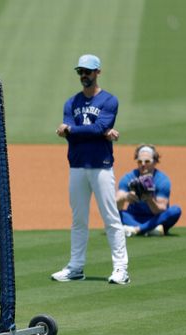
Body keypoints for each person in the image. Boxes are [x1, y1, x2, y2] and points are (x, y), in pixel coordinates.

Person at [52, 54, 130, 285]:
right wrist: (97, 132)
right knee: (78, 219)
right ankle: (76, 267)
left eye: (87, 71)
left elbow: (98, 127)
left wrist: (73, 130)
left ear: (98, 72)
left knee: (111, 218)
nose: (84, 75)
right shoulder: (71, 102)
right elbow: (92, 131)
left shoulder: (109, 101)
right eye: (80, 72)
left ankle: (121, 269)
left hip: (101, 166)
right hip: (77, 165)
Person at [116, 144, 182, 237]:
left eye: (147, 161)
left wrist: (149, 200)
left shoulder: (162, 180)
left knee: (175, 210)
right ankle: (151, 230)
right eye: (140, 161)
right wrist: (125, 197)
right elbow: (116, 203)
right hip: (134, 217)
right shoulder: (128, 177)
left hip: (156, 218)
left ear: (155, 162)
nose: (143, 164)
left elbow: (160, 211)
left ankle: (137, 229)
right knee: (113, 213)